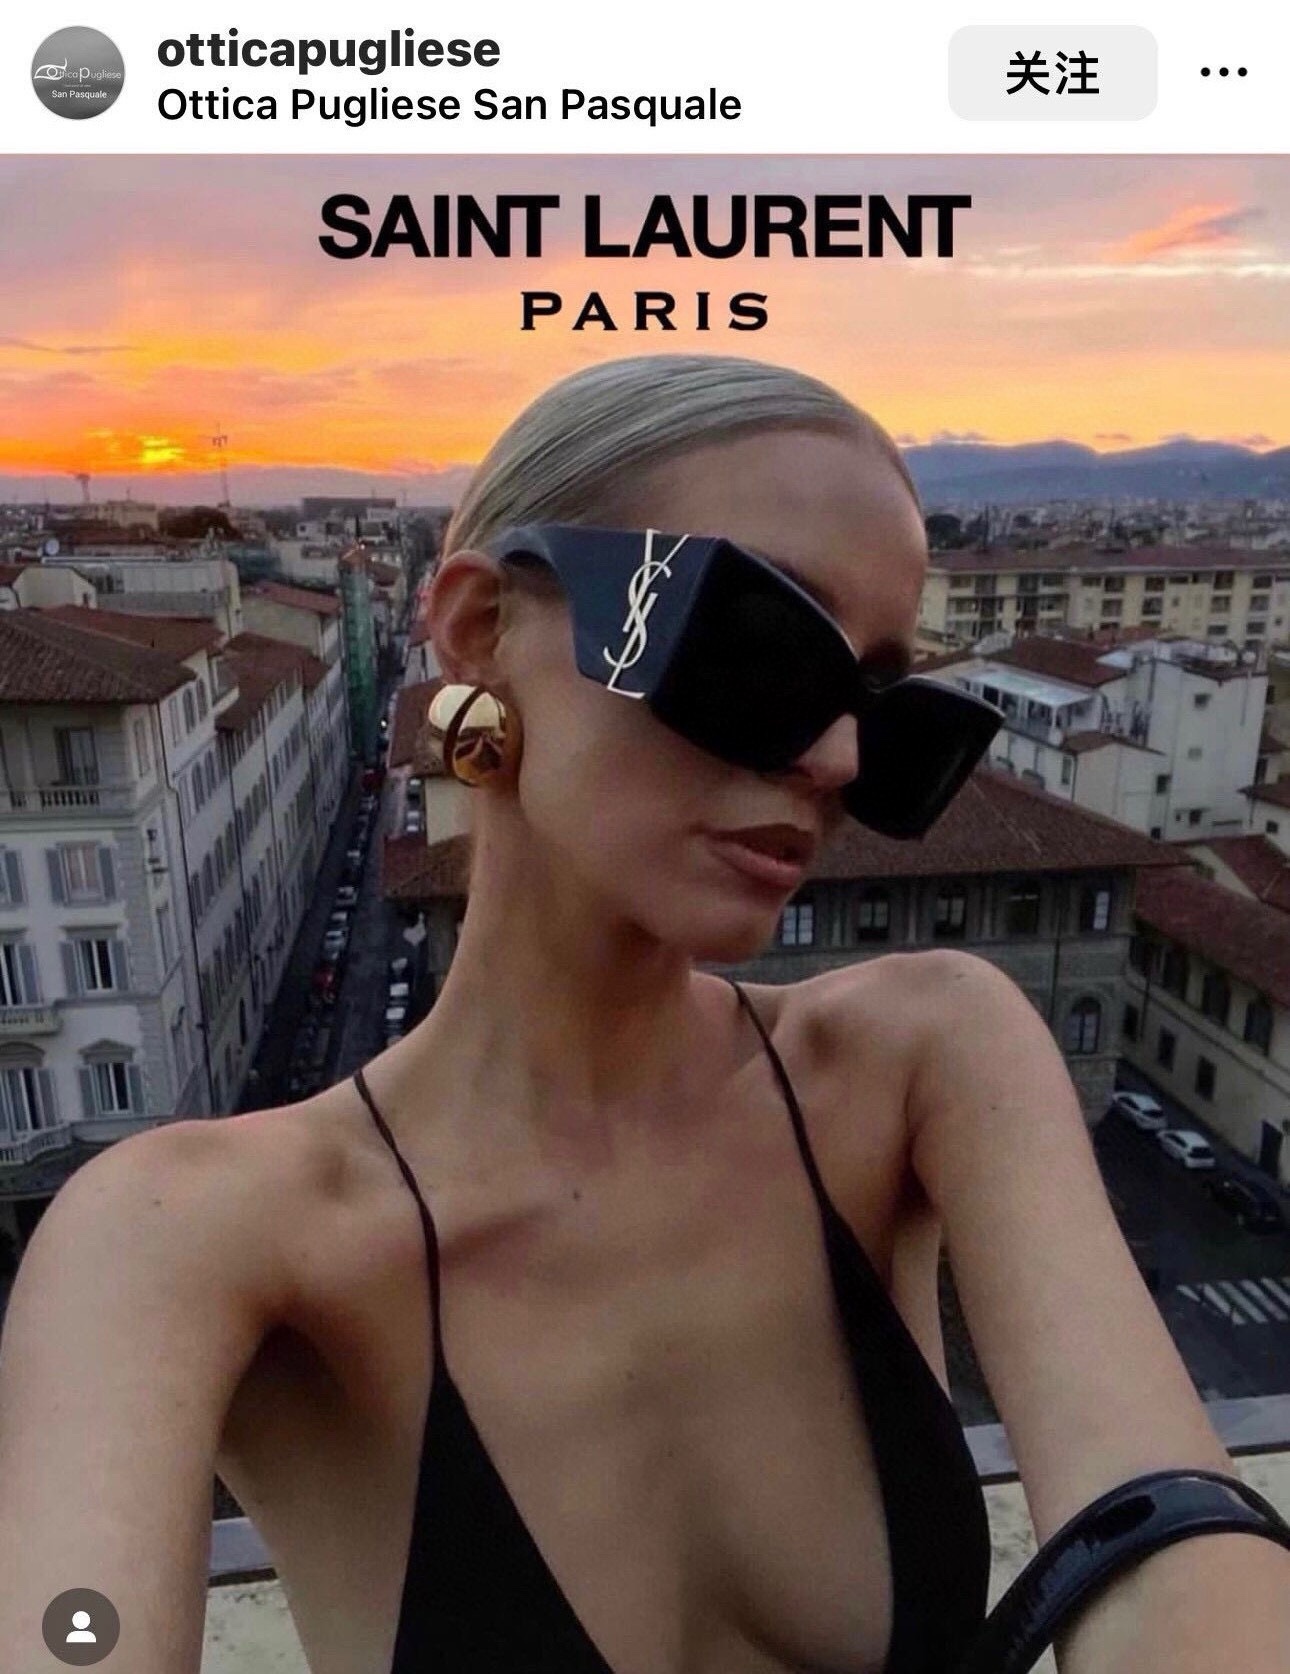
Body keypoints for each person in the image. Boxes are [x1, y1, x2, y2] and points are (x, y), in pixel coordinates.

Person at [1, 354, 1285, 1674]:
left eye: (883, 712)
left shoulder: (928, 1054)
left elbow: (1164, 1522)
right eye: (756, 646)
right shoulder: (186, 1238)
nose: (837, 757)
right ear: (481, 626)